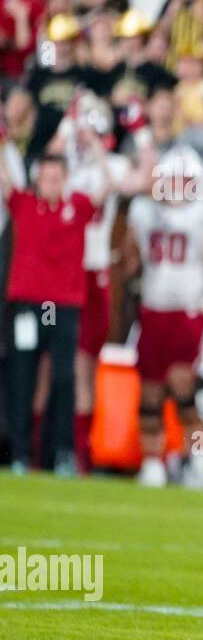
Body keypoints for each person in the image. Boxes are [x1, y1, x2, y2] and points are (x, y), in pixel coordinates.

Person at [123, 147, 203, 487]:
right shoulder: (143, 210)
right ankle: (152, 463)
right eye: (173, 178)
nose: (178, 185)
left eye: (184, 179)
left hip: (187, 312)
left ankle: (200, 459)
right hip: (153, 311)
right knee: (150, 395)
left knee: (184, 390)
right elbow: (130, 260)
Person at [1, 152, 98, 475]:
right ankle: (19, 452)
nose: (52, 184)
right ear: (38, 178)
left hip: (60, 306)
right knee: (22, 377)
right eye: (47, 177)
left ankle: (63, 452)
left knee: (63, 377)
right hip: (31, 304)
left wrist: (96, 146)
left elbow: (108, 184)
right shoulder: (24, 204)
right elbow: (4, 181)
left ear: (65, 179)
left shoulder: (78, 206)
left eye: (58, 178)